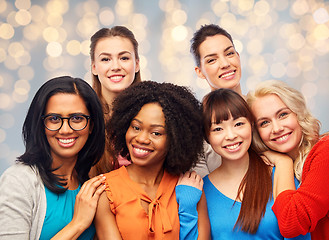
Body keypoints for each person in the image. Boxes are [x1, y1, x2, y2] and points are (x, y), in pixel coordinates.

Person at [94, 81, 210, 239]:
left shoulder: (190, 188)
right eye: (136, 127)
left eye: (156, 133)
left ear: (176, 139)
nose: (141, 138)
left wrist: (187, 205)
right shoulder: (106, 191)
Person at [188, 88, 309, 239]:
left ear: (251, 126)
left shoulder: (280, 173)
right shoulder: (202, 189)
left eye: (238, 124)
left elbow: (298, 233)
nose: (231, 136)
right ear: (207, 137)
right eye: (218, 129)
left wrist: (283, 162)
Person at [0, 76, 106, 239]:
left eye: (77, 118)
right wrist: (77, 224)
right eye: (54, 119)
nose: (65, 130)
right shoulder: (18, 181)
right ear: (40, 124)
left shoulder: (90, 182)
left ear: (91, 125)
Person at [247, 80, 327, 239]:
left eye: (283, 114)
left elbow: (292, 223)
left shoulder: (325, 151)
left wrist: (283, 162)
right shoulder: (270, 171)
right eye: (264, 123)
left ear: (298, 114)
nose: (277, 128)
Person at [190, 23, 243, 177]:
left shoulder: (262, 108)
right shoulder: (196, 125)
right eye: (212, 60)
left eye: (229, 53)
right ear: (199, 72)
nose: (225, 64)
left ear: (238, 57)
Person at [89, 26, 141, 177]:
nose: (116, 67)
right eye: (105, 59)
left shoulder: (156, 112)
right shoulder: (84, 117)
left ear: (136, 64)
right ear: (94, 67)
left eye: (124, 58)